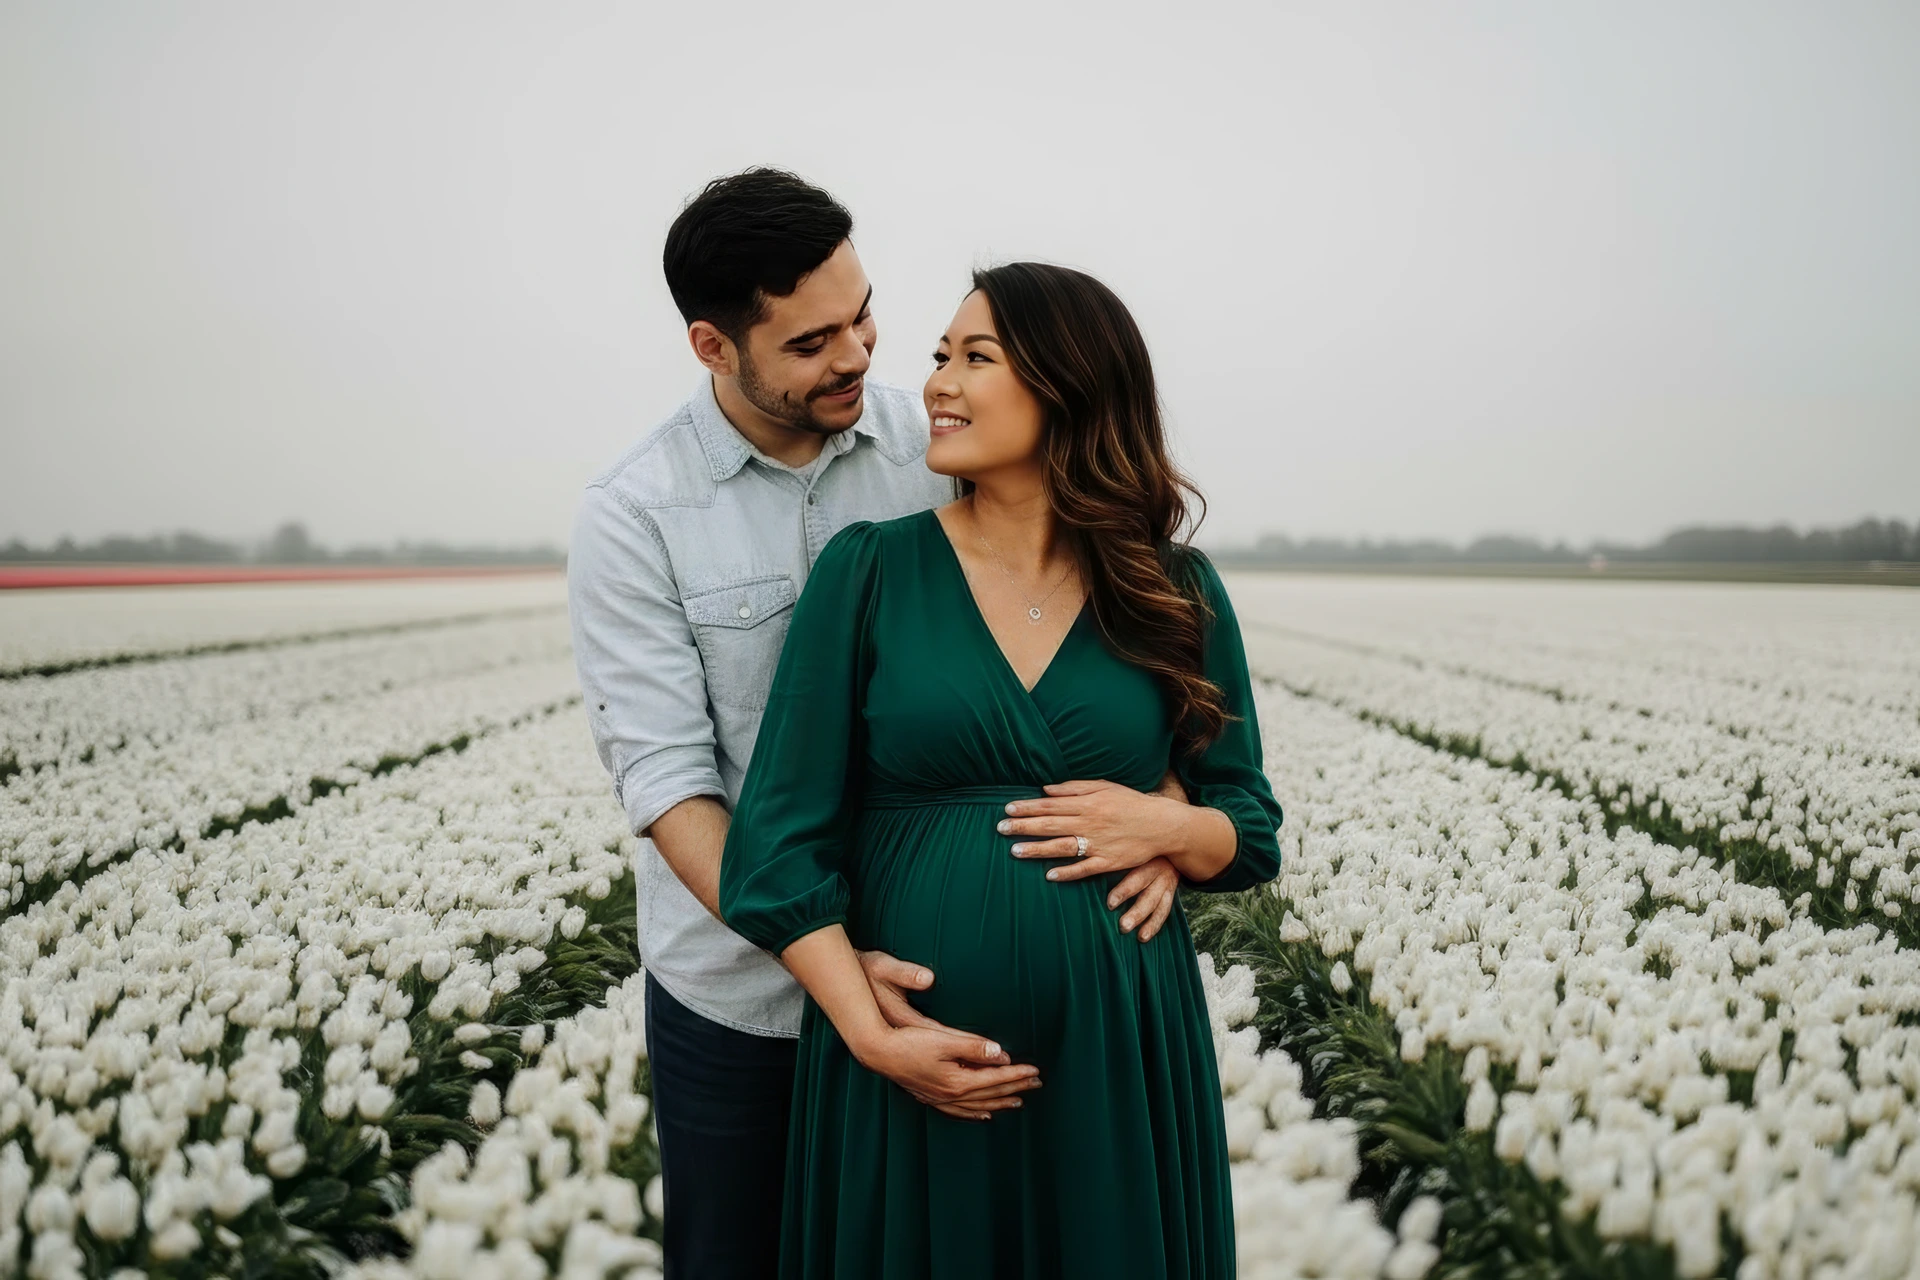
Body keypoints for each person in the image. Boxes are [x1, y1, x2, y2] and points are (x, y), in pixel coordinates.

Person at [567, 171, 1190, 1278]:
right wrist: (840, 978)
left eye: (863, 315)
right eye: (811, 343)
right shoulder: (635, 516)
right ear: (714, 347)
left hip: (948, 981)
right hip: (744, 996)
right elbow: (671, 785)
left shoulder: (937, 448)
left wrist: (1168, 812)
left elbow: (1099, 634)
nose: (858, 355)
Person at [718, 261, 1285, 1278]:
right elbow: (776, 843)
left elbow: (1248, 820)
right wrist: (867, 1023)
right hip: (910, 1055)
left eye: (976, 357)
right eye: (939, 354)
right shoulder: (872, 568)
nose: (936, 381)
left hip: (1116, 1050)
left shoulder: (1175, 590)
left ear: (1070, 384)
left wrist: (1173, 828)